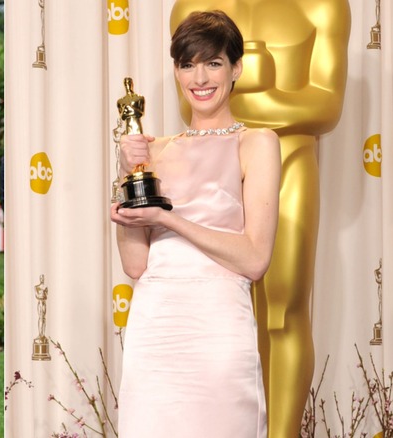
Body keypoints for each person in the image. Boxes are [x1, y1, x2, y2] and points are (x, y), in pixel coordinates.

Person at [170, 3, 349, 436]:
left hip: (291, 164)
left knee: (283, 309)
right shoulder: (190, 7)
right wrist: (271, 93)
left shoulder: (323, 5)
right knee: (218, 309)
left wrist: (254, 92)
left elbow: (325, 106)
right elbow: (192, 102)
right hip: (217, 172)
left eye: (217, 63)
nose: (204, 71)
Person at [110, 11, 280, 437]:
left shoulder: (257, 142)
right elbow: (135, 265)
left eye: (213, 63)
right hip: (155, 328)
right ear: (176, 71)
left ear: (236, 67)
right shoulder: (155, 149)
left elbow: (256, 259)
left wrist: (169, 218)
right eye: (187, 64)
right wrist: (123, 181)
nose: (199, 78)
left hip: (218, 326)